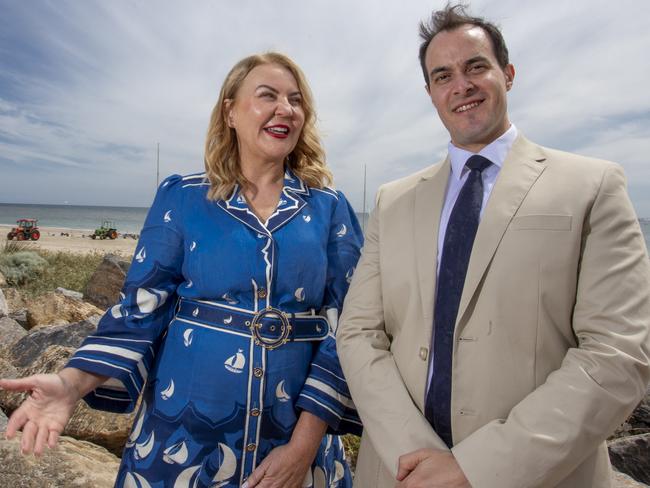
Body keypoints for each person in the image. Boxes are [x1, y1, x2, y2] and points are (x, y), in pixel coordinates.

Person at [0, 52, 362, 488]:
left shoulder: (329, 207)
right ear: (230, 111)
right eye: (267, 96)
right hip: (181, 437)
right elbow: (140, 312)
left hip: (297, 441)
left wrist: (303, 448)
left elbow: (349, 327)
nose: (285, 108)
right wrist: (71, 383)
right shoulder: (182, 197)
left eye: (296, 100)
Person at [337, 4, 650, 488]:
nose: (460, 85)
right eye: (442, 75)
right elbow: (358, 333)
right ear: (430, 93)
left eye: (475, 66)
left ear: (508, 73)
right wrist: (415, 454)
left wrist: (475, 468)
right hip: (400, 473)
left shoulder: (592, 186)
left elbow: (617, 354)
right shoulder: (392, 201)